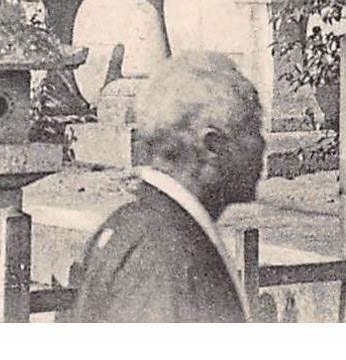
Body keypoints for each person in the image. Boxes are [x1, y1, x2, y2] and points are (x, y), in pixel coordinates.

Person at [68, 52, 267, 322]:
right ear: (212, 146)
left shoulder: (136, 224)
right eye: (252, 129)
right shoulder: (168, 253)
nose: (262, 145)